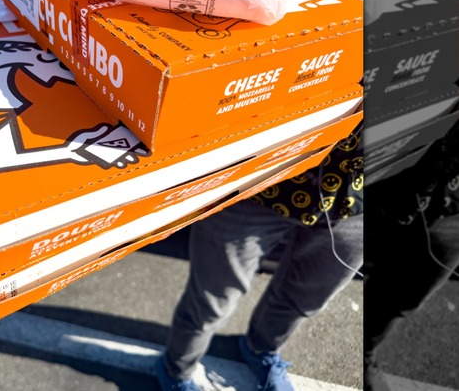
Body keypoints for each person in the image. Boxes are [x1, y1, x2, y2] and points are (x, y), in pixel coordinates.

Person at [155, 125, 365, 391]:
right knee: (211, 299)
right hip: (257, 182)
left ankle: (259, 349)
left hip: (354, 198)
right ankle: (175, 371)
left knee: (306, 297)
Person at [363, 122, 459, 391]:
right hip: (390, 182)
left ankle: (365, 354)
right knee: (336, 265)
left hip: (451, 214)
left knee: (406, 296)